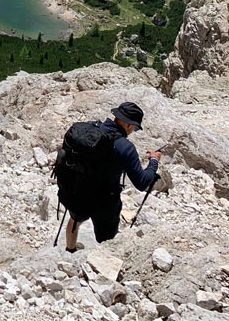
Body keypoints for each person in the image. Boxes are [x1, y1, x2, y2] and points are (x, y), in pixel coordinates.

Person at [65, 101, 161, 252]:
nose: (133, 131)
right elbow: (142, 183)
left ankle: (70, 249)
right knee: (107, 240)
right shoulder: (125, 147)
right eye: (135, 128)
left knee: (75, 219)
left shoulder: (91, 130)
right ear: (129, 125)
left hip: (79, 190)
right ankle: (102, 265)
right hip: (106, 200)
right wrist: (154, 162)